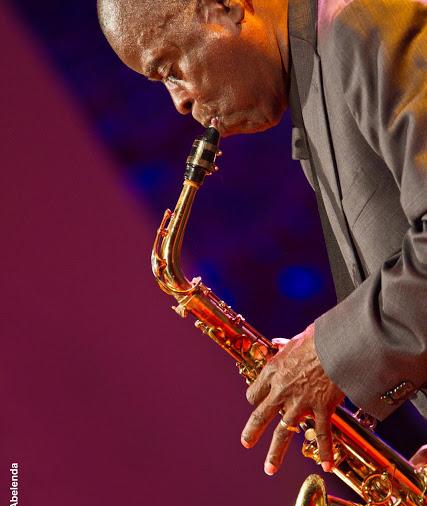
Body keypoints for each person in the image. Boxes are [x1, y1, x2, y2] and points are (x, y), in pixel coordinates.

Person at [97, 0, 427, 475]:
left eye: (171, 70)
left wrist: (328, 353)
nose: (180, 102)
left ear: (224, 7)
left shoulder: (362, 23)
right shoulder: (315, 77)